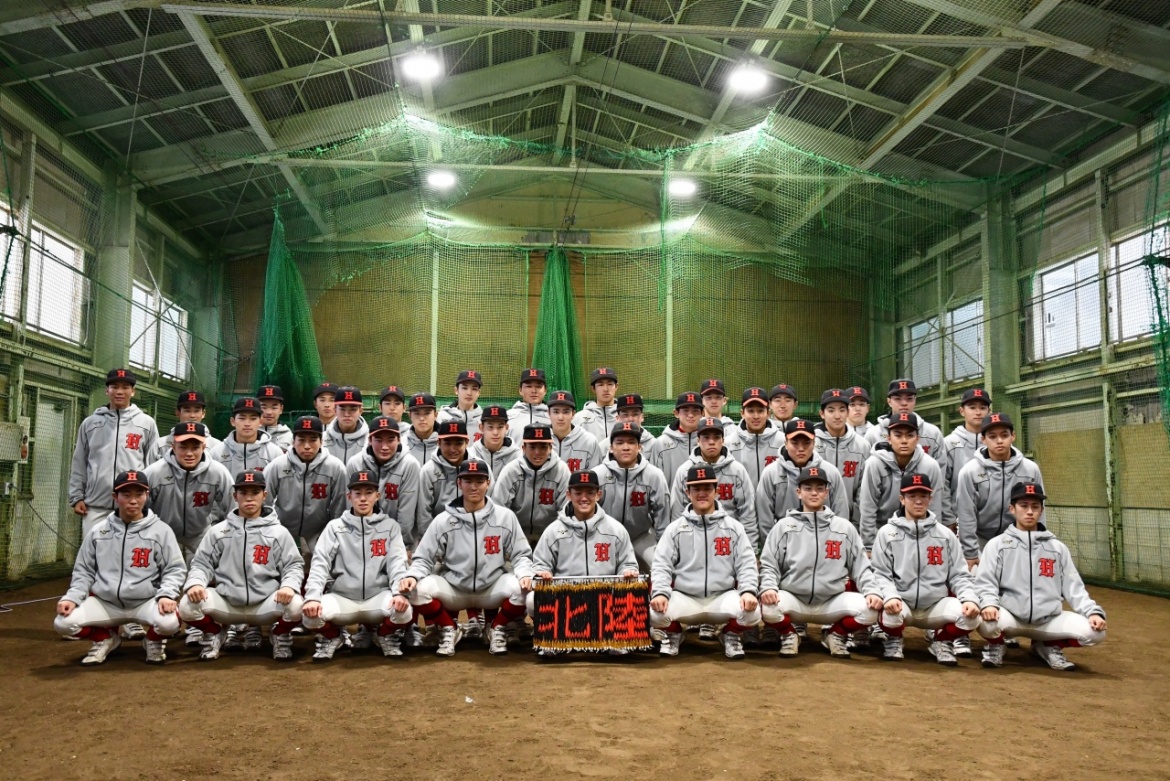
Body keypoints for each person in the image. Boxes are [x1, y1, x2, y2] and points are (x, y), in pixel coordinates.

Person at [400, 459, 534, 656]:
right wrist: (412, 576)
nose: (473, 486)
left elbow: (521, 554)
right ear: (459, 483)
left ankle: (496, 627)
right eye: (468, 481)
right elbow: (423, 558)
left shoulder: (505, 517)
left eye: (479, 481)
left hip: (491, 587)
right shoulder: (443, 520)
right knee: (415, 591)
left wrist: (524, 574)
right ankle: (450, 628)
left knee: (524, 590)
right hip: (454, 589)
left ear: (488, 483)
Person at [54, 470, 185, 665]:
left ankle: (153, 640)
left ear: (147, 495)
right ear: (115, 497)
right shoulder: (98, 531)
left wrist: (166, 594)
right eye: (126, 494)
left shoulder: (161, 531)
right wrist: (72, 597)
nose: (133, 500)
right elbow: (84, 571)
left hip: (145, 601)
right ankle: (105, 638)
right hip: (106, 603)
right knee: (63, 623)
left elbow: (174, 569)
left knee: (169, 622)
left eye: (139, 494)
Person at [975, 482, 1107, 671]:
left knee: (1095, 634)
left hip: (1048, 620)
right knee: (985, 621)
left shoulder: (1057, 548)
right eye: (1024, 505)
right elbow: (985, 582)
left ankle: (1047, 645)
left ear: (1041, 510)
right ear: (1012, 509)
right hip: (1010, 616)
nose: (1029, 511)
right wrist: (989, 603)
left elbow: (1074, 588)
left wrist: (1092, 612)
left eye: (1035, 506)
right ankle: (997, 644)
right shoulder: (997, 545)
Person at [757, 466, 883, 659]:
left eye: (819, 488)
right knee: (767, 607)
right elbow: (769, 564)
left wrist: (872, 591)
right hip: (794, 598)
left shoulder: (844, 528)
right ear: (798, 492)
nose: (814, 493)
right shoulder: (783, 527)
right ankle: (790, 634)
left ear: (827, 492)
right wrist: (768, 587)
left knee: (871, 610)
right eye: (808, 488)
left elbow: (861, 567)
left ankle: (835, 635)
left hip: (832, 601)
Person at [178, 470, 304, 661]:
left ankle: (279, 634)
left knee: (296, 605)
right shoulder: (218, 531)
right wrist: (196, 583)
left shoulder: (279, 533)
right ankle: (215, 633)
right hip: (227, 603)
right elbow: (201, 564)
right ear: (235, 496)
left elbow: (293, 565)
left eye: (255, 492)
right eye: (243, 493)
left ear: (264, 495)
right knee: (187, 605)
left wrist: (288, 586)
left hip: (265, 604)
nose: (249, 498)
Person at [302, 470, 414, 661]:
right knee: (309, 616)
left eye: (368, 493)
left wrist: (398, 593)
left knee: (404, 611)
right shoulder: (335, 527)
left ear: (377, 496)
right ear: (349, 496)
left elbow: (397, 564)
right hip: (342, 597)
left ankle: (383, 634)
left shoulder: (390, 526)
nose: (363, 498)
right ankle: (334, 637)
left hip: (378, 597)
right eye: (357, 493)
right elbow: (320, 564)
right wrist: (312, 597)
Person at [650, 464, 760, 659]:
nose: (702, 493)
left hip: (722, 596)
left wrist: (748, 591)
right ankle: (674, 632)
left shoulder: (734, 528)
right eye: (696, 489)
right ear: (688, 493)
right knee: (654, 613)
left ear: (717, 491)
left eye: (707, 488)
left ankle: (730, 634)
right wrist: (660, 593)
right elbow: (661, 565)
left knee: (753, 612)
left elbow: (746, 564)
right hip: (686, 597)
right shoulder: (675, 529)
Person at [871, 473, 981, 665]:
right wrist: (890, 596)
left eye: (923, 496)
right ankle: (894, 638)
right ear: (902, 499)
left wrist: (969, 599)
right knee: (886, 614)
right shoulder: (887, 533)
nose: (918, 501)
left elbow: (959, 575)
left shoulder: (946, 535)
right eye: (912, 496)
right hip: (901, 602)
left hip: (935, 604)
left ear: (930, 498)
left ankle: (941, 641)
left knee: (971, 617)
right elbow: (881, 573)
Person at [529, 470, 639, 654]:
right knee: (532, 599)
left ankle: (614, 637)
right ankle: (555, 637)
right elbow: (540, 564)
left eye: (590, 492)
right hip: (567, 601)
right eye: (578, 493)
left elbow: (628, 564)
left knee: (634, 589)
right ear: (568, 494)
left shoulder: (615, 529)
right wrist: (542, 573)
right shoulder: (554, 531)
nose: (584, 498)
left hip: (604, 601)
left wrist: (626, 572)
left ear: (598, 494)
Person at [144, 422, 233, 647]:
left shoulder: (218, 472)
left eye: (195, 447)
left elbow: (233, 509)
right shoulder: (154, 472)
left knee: (212, 572)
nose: (189, 453)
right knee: (154, 575)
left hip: (200, 531)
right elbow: (140, 510)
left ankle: (199, 624)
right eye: (183, 447)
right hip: (163, 532)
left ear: (204, 446)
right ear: (173, 446)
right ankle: (160, 625)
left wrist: (223, 536)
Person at [69, 367, 160, 538]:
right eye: (114, 387)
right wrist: (77, 497)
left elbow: (154, 465)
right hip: (95, 506)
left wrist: (150, 500)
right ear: (107, 390)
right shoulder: (90, 424)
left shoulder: (146, 423)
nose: (119, 391)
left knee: (129, 551)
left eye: (125, 387)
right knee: (95, 551)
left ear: (133, 391)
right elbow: (79, 462)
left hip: (133, 506)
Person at [955, 412, 1044, 569]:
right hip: (981, 541)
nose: (999, 441)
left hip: (1018, 539)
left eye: (1004, 435)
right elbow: (966, 514)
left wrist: (1038, 542)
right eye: (992, 436)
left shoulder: (1030, 469)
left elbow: (1039, 509)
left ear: (1013, 436)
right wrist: (970, 553)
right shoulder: (969, 472)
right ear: (983, 439)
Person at [858, 412, 950, 552]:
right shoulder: (874, 464)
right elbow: (868, 506)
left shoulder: (930, 465)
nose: (904, 440)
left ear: (918, 438)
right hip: (881, 533)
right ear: (889, 438)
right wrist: (869, 546)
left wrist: (932, 541)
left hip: (918, 534)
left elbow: (934, 507)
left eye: (910, 435)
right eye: (898, 435)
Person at [591, 421, 671, 570]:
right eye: (620, 442)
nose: (626, 447)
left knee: (660, 567)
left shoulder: (654, 475)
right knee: (596, 572)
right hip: (604, 537)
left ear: (640, 447)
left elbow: (662, 517)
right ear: (610, 447)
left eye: (631, 442)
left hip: (641, 537)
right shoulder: (597, 475)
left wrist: (663, 548)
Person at [263, 416, 348, 555]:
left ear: (321, 441)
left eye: (313, 440)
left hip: (320, 532)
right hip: (281, 531)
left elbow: (340, 506)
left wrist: (332, 534)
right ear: (293, 441)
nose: (307, 446)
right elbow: (264, 503)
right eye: (301, 440)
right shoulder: (277, 466)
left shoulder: (335, 467)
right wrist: (272, 530)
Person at [668, 417, 757, 546]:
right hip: (694, 540)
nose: (711, 442)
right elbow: (678, 513)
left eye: (716, 437)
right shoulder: (685, 471)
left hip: (729, 540)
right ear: (698, 441)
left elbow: (747, 513)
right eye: (706, 437)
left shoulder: (737, 471)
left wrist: (751, 548)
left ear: (723, 441)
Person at [756, 418, 844, 542]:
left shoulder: (830, 472)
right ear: (785, 442)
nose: (801, 448)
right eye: (795, 443)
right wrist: (774, 545)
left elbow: (840, 513)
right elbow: (765, 517)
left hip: (824, 541)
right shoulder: (771, 472)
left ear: (814, 443)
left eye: (806, 443)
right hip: (784, 541)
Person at [346, 415, 421, 548]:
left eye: (390, 440)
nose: (384, 447)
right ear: (370, 440)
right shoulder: (355, 463)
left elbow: (406, 512)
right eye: (379, 440)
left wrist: (403, 545)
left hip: (397, 540)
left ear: (399, 440)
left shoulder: (410, 465)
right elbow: (351, 507)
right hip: (361, 539)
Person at [492, 425, 571, 544]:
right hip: (515, 536)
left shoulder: (561, 471)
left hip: (551, 537)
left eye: (543, 447)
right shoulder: (511, 471)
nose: (537, 452)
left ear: (550, 447)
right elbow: (499, 511)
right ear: (523, 448)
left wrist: (557, 540)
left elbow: (566, 512)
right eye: (532, 447)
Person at [865, 379, 949, 477]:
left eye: (909, 399)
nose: (904, 403)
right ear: (889, 401)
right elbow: (866, 471)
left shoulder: (932, 433)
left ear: (915, 400)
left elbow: (940, 472)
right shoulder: (873, 434)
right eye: (898, 399)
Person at [814, 388, 871, 525]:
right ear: (822, 414)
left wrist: (855, 522)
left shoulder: (862, 445)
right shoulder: (812, 442)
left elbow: (863, 490)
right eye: (831, 410)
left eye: (842, 409)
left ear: (848, 412)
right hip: (814, 521)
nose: (837, 416)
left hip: (850, 522)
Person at [416, 419, 471, 541]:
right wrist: (430, 541)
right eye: (447, 443)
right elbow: (424, 512)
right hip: (439, 533)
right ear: (439, 443)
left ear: (467, 442)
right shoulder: (428, 471)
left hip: (473, 533)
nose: (453, 449)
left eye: (458, 443)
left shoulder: (479, 468)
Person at [208, 397, 283, 478]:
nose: (247, 423)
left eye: (253, 419)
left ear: (260, 422)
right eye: (242, 418)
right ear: (233, 421)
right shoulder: (216, 453)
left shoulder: (274, 453)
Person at [732, 386, 784, 489]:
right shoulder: (729, 443)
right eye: (751, 411)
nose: (756, 416)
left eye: (760, 411)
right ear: (742, 413)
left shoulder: (783, 441)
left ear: (768, 413)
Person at [944, 388, 991, 499]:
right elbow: (942, 483)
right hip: (957, 509)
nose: (978, 412)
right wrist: (948, 510)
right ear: (962, 411)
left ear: (989, 411)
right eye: (972, 407)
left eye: (983, 408)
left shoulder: (997, 443)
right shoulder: (948, 443)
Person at [548, 390, 605, 472]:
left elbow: (596, 476)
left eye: (566, 412)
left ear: (573, 414)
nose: (560, 417)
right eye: (556, 412)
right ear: (548, 413)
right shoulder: (539, 440)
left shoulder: (588, 441)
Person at [154, 390, 221, 457]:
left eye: (196, 411)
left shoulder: (217, 446)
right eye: (187, 411)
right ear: (177, 413)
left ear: (203, 413)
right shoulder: (161, 445)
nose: (192, 415)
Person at [655, 391, 704, 482]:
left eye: (695, 410)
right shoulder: (661, 443)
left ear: (702, 413)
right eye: (685, 410)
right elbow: (655, 481)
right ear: (676, 413)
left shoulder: (707, 441)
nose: (690, 415)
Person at [599, 393, 659, 466]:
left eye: (635, 414)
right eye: (625, 415)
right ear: (617, 418)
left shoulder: (654, 445)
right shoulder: (604, 446)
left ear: (642, 417)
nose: (630, 419)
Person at [469, 404, 521, 475]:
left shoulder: (517, 457)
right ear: (481, 428)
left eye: (500, 427)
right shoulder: (471, 454)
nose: (495, 433)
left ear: (506, 427)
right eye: (490, 427)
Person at [324, 385, 369, 464]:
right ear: (335, 410)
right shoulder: (322, 439)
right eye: (342, 409)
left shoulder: (370, 440)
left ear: (360, 411)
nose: (347, 414)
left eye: (353, 409)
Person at [572, 367, 619, 444]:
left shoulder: (624, 416)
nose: (606, 389)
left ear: (616, 387)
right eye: (600, 385)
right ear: (593, 389)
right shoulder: (579, 418)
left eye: (610, 384)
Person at [438, 370, 484, 441]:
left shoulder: (484, 420)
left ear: (479, 392)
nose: (469, 393)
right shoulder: (441, 417)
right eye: (464, 388)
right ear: (456, 390)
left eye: (474, 389)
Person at [508, 367, 551, 442]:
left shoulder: (553, 418)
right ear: (520, 390)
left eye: (538, 386)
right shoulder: (508, 417)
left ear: (545, 391)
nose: (534, 391)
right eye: (529, 386)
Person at [699, 378, 742, 449]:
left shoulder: (734, 430)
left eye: (718, 397)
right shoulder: (695, 428)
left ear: (724, 400)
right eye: (709, 397)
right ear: (701, 401)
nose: (713, 401)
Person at [403, 392, 440, 466]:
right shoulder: (402, 444)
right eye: (417, 413)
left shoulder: (446, 443)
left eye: (427, 413)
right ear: (410, 416)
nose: (422, 418)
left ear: (435, 415)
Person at [257, 385, 292, 452]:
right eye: (263, 407)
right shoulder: (248, 434)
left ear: (281, 409)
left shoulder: (289, 437)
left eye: (274, 408)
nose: (269, 412)